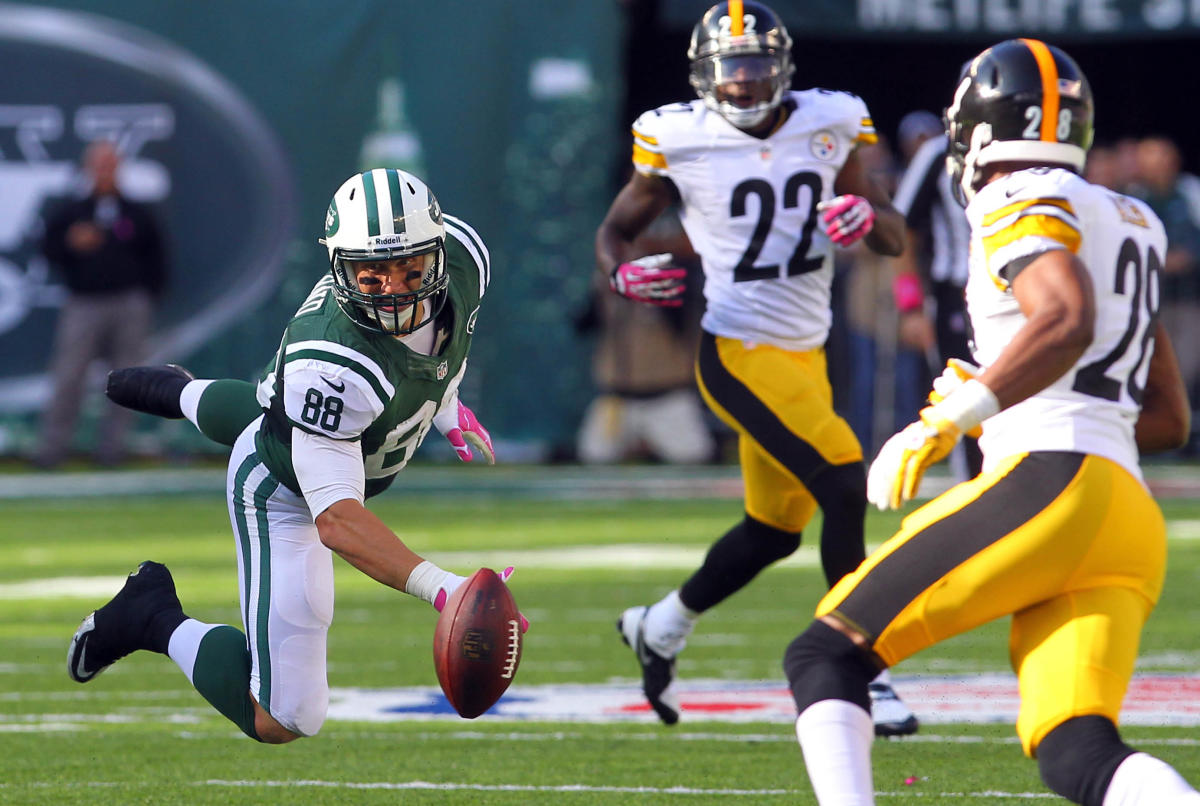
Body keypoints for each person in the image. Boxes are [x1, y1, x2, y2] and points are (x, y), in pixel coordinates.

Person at [784, 39, 1199, 805]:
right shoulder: (1133, 216)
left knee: (825, 655)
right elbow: (1167, 416)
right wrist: (1004, 409)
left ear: (976, 128)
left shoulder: (1014, 197)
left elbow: (1066, 316)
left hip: (1052, 483)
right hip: (1126, 514)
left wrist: (955, 415)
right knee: (1077, 751)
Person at [67, 168, 520, 744]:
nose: (397, 290)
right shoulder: (331, 362)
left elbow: (450, 339)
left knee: (271, 405)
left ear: (438, 248)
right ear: (339, 268)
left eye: (411, 268)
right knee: (283, 718)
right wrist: (442, 587)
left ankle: (175, 390)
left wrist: (446, 401)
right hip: (283, 494)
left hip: (321, 420)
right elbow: (336, 519)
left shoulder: (464, 260)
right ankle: (152, 616)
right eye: (372, 274)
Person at [598, 0, 915, 734]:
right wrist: (621, 273)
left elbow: (894, 232)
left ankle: (661, 625)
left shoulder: (833, 120)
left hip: (807, 353)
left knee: (775, 530)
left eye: (756, 67)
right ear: (706, 76)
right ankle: (863, 669)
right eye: (731, 69)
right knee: (843, 481)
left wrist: (868, 221)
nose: (744, 84)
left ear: (783, 67)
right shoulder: (675, 135)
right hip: (736, 347)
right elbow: (616, 229)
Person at [34, 140, 169, 468]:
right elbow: (47, 249)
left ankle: (113, 451)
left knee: (129, 378)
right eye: (100, 164)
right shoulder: (71, 212)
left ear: (119, 168)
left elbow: (157, 256)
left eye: (111, 164)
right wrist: (70, 243)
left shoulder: (136, 212)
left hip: (128, 303)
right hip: (84, 302)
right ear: (88, 168)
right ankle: (51, 451)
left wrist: (147, 295)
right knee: (69, 375)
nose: (105, 171)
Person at [576, 208, 715, 465]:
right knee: (594, 457)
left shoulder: (675, 280)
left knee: (693, 456)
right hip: (618, 397)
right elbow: (582, 325)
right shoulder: (608, 282)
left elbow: (685, 317)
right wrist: (609, 288)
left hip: (667, 395)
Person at [890, 111, 983, 479]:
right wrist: (910, 305)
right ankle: (970, 493)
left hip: (1024, 292)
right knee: (962, 400)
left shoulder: (1036, 152)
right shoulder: (938, 152)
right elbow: (901, 230)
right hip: (957, 293)